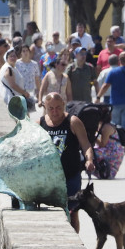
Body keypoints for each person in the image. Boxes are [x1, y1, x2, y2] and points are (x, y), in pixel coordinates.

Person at [39, 92, 95, 232]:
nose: (55, 111)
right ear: (45, 107)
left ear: (64, 105)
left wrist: (89, 159)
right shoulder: (40, 124)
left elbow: (86, 145)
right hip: (48, 178)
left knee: (72, 212)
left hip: (70, 176)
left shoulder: (73, 122)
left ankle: (75, 240)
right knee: (50, 212)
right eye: (51, 108)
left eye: (58, 107)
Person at [93, 106, 124, 179]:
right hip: (112, 151)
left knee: (90, 153)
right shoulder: (104, 125)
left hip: (112, 152)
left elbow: (102, 144)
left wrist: (93, 137)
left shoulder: (106, 127)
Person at [14, 45, 41, 111]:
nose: (25, 53)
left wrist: (39, 91)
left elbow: (37, 78)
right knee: (21, 111)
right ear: (21, 53)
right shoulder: (16, 63)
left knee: (29, 111)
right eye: (23, 51)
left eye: (27, 51)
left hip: (31, 91)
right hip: (20, 91)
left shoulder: (34, 64)